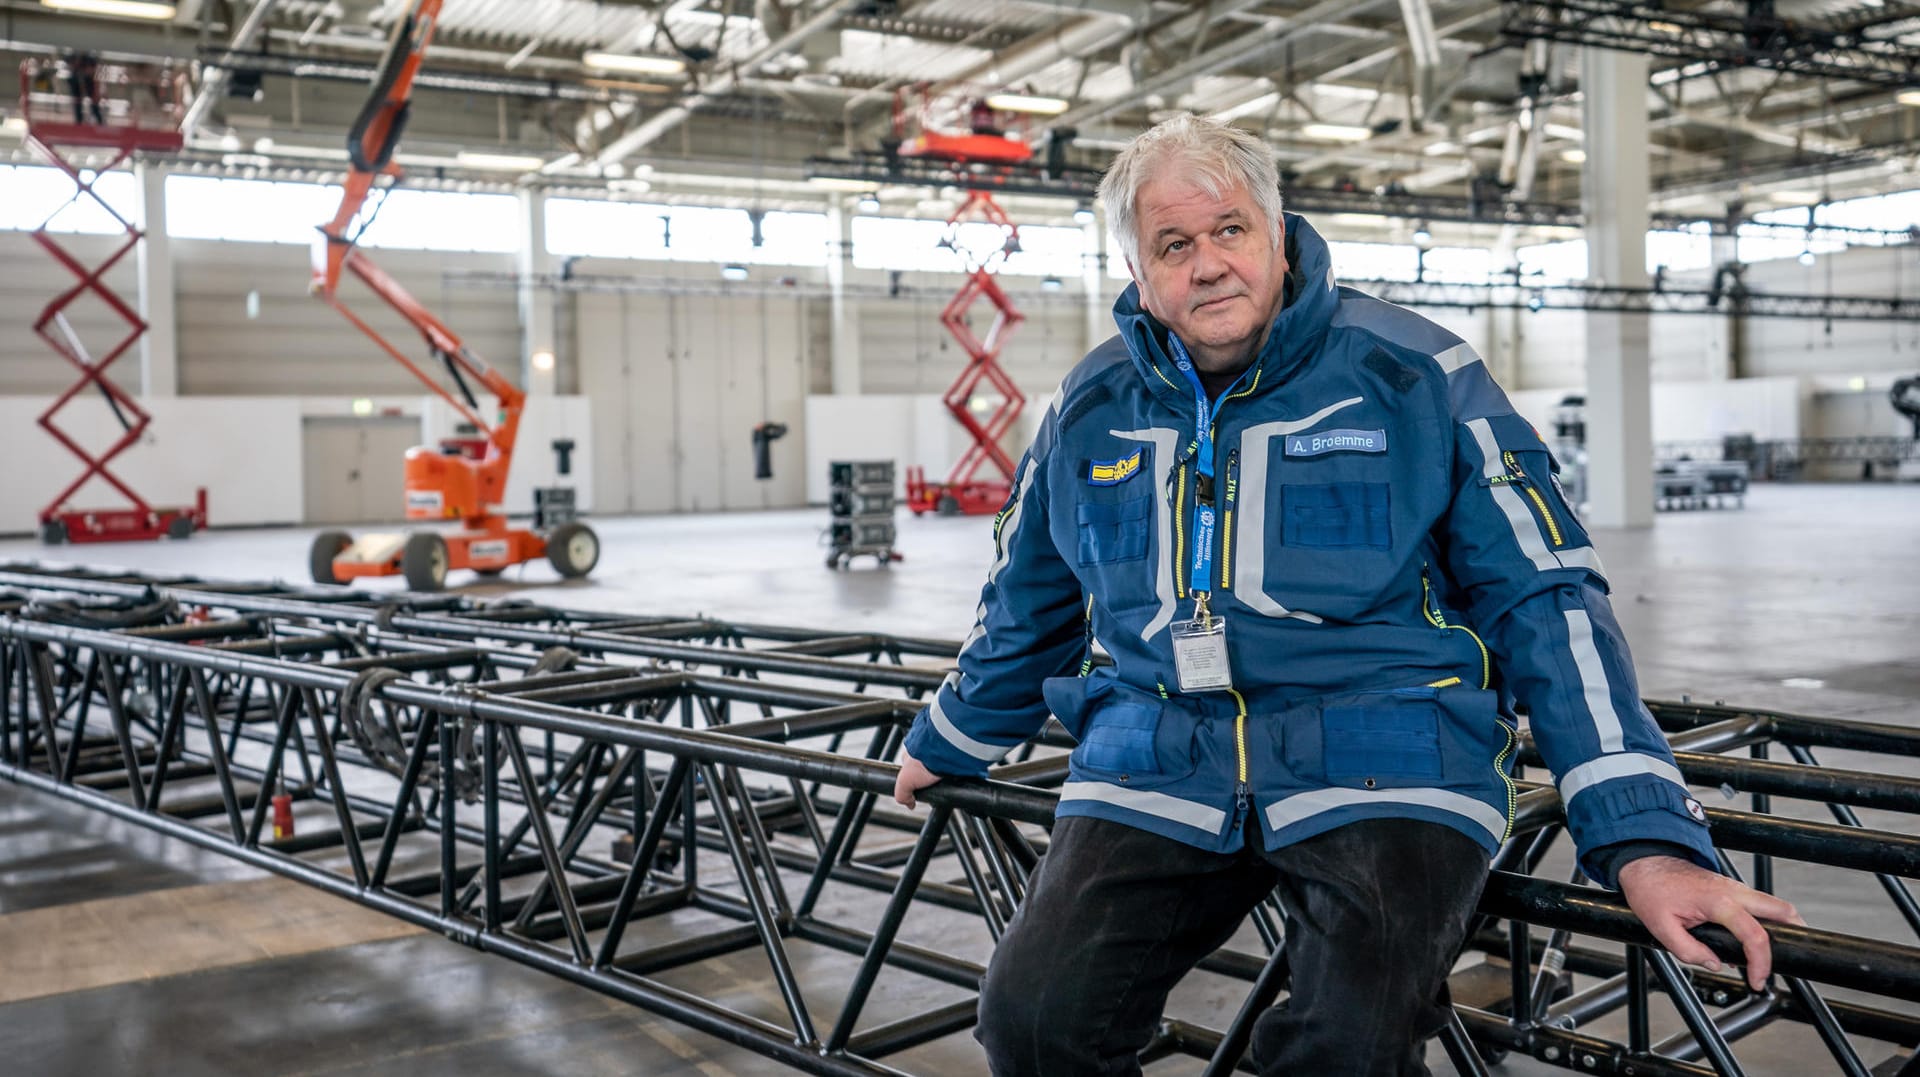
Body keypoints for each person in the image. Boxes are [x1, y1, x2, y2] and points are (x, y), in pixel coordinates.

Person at [892, 113, 1801, 1076]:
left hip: (1390, 751)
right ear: (1138, 271)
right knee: (1034, 1021)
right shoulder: (1090, 404)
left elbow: (1549, 598)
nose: (1208, 264)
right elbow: (1027, 602)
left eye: (1231, 230)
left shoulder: (1416, 373)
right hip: (1158, 755)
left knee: (1347, 1049)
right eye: (1173, 244)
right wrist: (949, 737)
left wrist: (1643, 835)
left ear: (1279, 234)